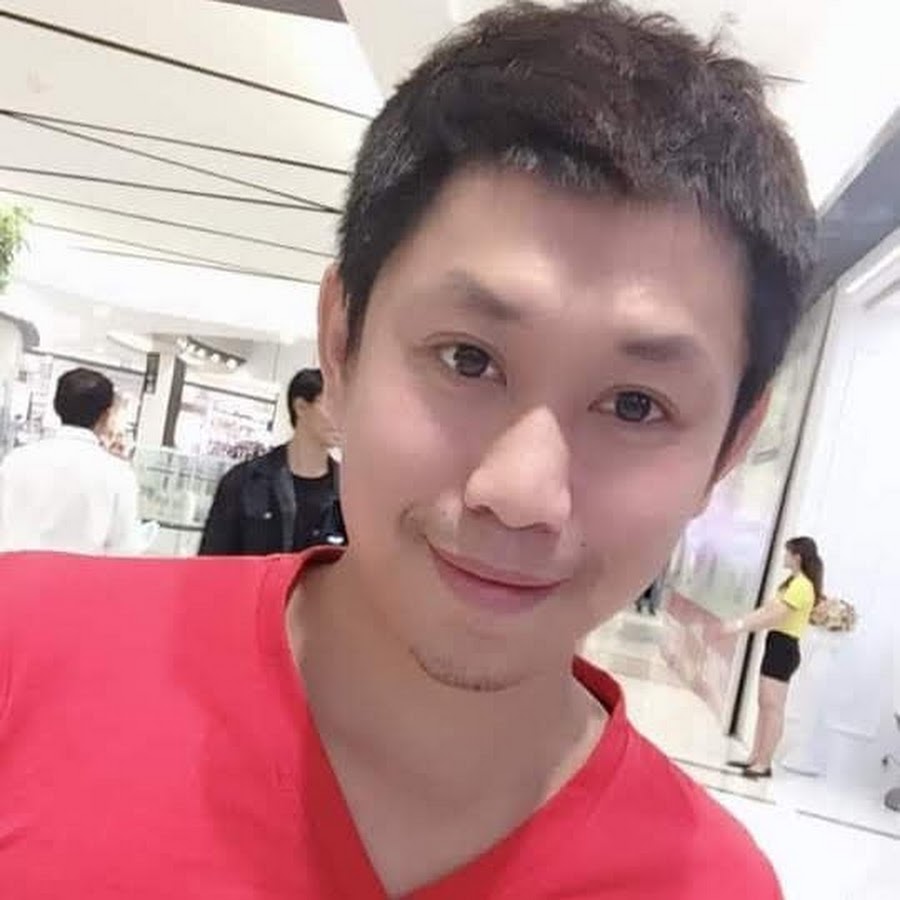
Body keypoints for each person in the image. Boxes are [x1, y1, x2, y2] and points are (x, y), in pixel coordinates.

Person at [0, 3, 815, 897]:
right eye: (467, 359)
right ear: (341, 345)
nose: (521, 491)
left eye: (634, 405)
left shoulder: (707, 884)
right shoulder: (26, 652)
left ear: (729, 448)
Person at [198, 368, 345, 555]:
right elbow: (212, 561)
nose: (341, 417)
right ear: (300, 407)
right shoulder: (243, 482)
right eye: (331, 405)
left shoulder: (351, 493)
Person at [0, 366, 143, 554]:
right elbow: (123, 549)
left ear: (55, 406)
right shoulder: (119, 475)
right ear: (106, 415)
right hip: (82, 573)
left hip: (12, 571)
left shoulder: (16, 461)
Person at [723, 537, 824, 780]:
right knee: (764, 704)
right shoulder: (791, 583)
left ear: (797, 557)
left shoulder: (802, 586)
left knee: (773, 707)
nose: (784, 557)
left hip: (784, 648)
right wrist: (742, 622)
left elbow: (775, 616)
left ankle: (764, 763)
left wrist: (740, 626)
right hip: (776, 644)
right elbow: (767, 610)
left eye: (787, 553)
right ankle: (755, 757)